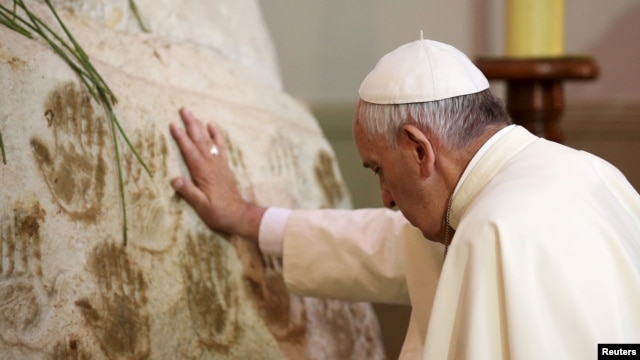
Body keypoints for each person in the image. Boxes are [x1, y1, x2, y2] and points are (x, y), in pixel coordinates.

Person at [169, 38, 640, 359]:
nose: (387, 198)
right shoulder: (589, 171)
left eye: (378, 170)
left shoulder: (493, 229)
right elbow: (379, 241)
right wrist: (243, 216)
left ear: (419, 148)